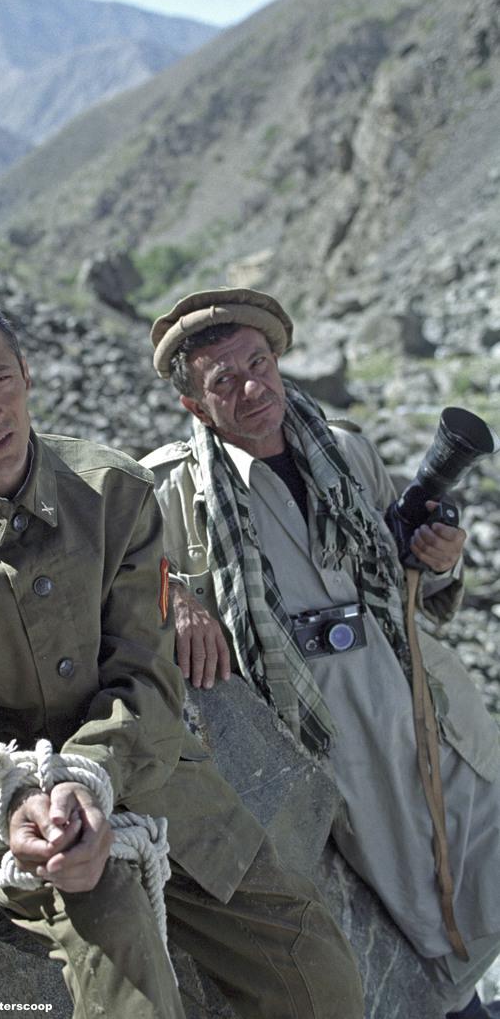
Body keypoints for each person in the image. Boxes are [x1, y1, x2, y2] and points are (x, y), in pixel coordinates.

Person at [0, 294, 363, 1019]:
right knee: (121, 950)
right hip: (11, 818)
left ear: (26, 375)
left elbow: (145, 673)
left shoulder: (113, 490)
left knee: (313, 962)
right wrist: (20, 804)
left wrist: (91, 775)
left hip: (151, 775)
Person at [141, 286, 500, 1019]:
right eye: (223, 380)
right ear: (193, 405)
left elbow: (412, 583)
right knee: (415, 915)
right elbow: (122, 576)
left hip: (421, 704)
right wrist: (174, 598)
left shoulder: (347, 449)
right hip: (328, 741)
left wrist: (441, 558)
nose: (251, 386)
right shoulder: (171, 489)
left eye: (258, 361)